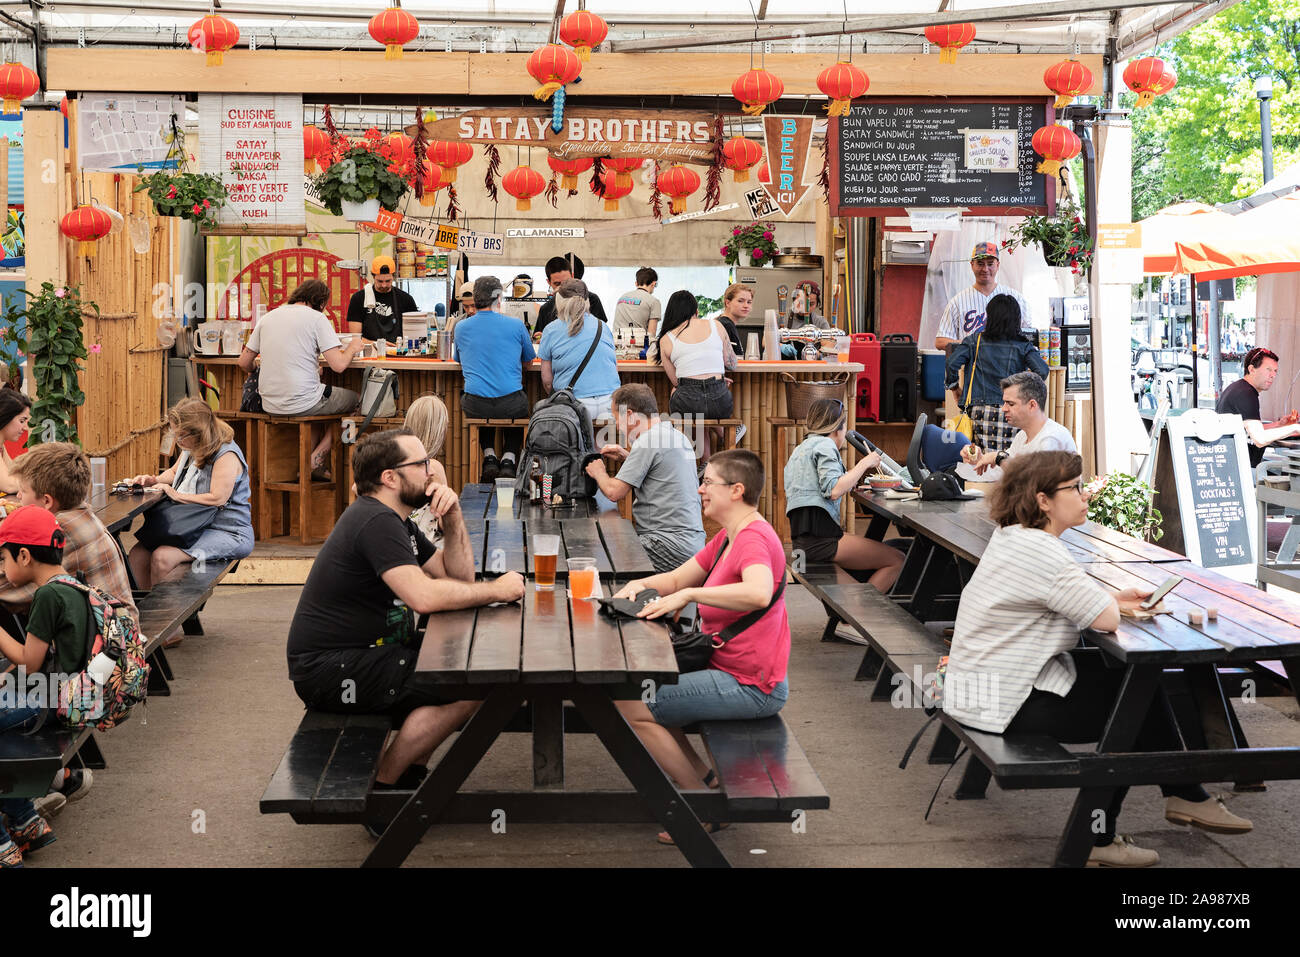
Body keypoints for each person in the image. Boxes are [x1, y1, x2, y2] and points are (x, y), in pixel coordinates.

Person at [943, 451, 1252, 867]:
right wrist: (1112, 604)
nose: (1084, 493)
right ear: (1043, 501)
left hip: (983, 689)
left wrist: (1112, 598)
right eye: (1074, 487)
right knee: (1133, 701)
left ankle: (1178, 796)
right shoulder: (1043, 552)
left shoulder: (1014, 537)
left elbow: (1067, 598)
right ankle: (1137, 818)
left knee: (1133, 683)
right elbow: (1103, 619)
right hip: (1005, 704)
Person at [285, 429, 525, 829]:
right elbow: (425, 598)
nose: (431, 472)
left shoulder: (397, 522)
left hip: (367, 653)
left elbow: (458, 578)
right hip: (333, 667)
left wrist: (452, 518)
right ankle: (385, 787)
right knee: (477, 682)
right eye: (422, 464)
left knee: (468, 670)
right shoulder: (375, 521)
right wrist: (496, 590)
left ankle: (407, 774)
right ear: (390, 478)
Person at [611, 450, 789, 842]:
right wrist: (642, 586)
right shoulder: (729, 536)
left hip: (752, 685)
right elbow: (677, 579)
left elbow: (759, 592)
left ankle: (700, 806)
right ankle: (706, 784)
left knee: (631, 701)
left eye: (708, 482)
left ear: (737, 490)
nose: (700, 489)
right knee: (638, 687)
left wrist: (689, 594)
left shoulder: (754, 539)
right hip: (732, 672)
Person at [0, 507, 99, 867]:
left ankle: (2, 842)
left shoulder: (46, 597)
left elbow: (30, 663)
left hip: (47, 700)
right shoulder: (71, 585)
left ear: (24, 555)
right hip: (63, 694)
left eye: (3, 557)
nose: (3, 566)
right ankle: (26, 822)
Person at [239, 278, 365, 479]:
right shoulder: (316, 319)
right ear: (321, 303)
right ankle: (316, 458)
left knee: (317, 407)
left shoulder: (269, 317)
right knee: (359, 402)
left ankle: (311, 463)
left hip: (269, 403)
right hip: (303, 402)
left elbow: (244, 362)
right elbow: (339, 365)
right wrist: (352, 347)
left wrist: (257, 366)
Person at [0, 442, 137, 622]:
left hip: (105, 643)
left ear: (47, 501)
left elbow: (8, 589)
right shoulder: (80, 514)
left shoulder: (58, 531)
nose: (18, 497)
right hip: (117, 628)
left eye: (23, 491)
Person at [126, 398, 254, 590]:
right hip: (193, 524)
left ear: (199, 432)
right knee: (138, 554)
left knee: (163, 557)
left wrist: (175, 495)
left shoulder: (226, 454)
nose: (178, 441)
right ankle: (141, 615)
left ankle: (164, 616)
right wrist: (153, 480)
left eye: (181, 436)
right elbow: (173, 473)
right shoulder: (192, 447)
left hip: (227, 531)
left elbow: (217, 498)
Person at [784, 398, 904, 591]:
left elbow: (823, 485)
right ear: (838, 429)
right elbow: (834, 489)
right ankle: (864, 611)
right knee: (897, 560)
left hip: (802, 541)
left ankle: (857, 608)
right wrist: (865, 463)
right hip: (821, 540)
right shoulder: (825, 445)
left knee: (855, 585)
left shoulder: (800, 449)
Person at [585, 383, 706, 573]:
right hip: (692, 543)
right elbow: (658, 468)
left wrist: (598, 471)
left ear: (631, 415)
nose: (617, 426)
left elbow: (613, 492)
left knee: (602, 558)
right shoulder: (675, 435)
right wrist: (628, 457)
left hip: (666, 545)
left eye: (617, 419)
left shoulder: (648, 441)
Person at [453, 275, 536, 480]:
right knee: (519, 405)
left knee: (481, 403)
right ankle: (509, 459)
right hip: (511, 404)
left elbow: (459, 360)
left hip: (475, 404)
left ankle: (489, 456)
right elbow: (529, 362)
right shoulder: (516, 325)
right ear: (498, 298)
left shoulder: (461, 327)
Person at [945, 293, 1048, 454]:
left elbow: (952, 363)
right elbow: (1042, 370)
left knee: (979, 460)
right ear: (1016, 318)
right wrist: (1023, 393)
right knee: (1008, 459)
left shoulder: (974, 341)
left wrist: (954, 388)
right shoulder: (1022, 345)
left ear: (990, 316)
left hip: (978, 409)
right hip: (1012, 410)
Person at [656, 290, 737, 463]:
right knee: (702, 409)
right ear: (696, 311)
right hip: (720, 401)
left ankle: (704, 463)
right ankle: (723, 436)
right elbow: (731, 363)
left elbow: (676, 381)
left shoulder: (666, 339)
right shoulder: (716, 325)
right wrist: (717, 379)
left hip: (688, 404)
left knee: (682, 396)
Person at [961, 371, 1076, 478]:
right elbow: (1003, 473)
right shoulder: (1022, 436)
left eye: (1010, 404)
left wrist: (999, 457)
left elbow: (1035, 481)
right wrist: (978, 459)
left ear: (1032, 405)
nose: (1004, 409)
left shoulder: (1052, 438)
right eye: (1004, 403)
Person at [538, 278, 620, 423]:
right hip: (611, 402)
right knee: (601, 444)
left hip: (574, 404)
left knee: (572, 443)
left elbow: (547, 381)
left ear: (559, 301)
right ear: (587, 300)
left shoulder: (551, 329)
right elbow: (614, 367)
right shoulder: (603, 326)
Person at [934, 242, 1033, 351]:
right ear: (972, 265)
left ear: (998, 265)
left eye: (990, 264)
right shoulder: (958, 301)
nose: (985, 269)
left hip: (1006, 364)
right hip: (970, 365)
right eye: (980, 264)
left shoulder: (1015, 298)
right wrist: (971, 343)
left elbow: (1029, 336)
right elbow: (940, 341)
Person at [1215, 346, 1300, 470]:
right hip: (1237, 470)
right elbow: (1259, 438)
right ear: (1251, 369)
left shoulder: (1239, 388)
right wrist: (1295, 428)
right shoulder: (1245, 394)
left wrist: (1279, 424)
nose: (1273, 375)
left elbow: (1248, 428)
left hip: (1231, 464)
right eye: (1268, 369)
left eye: (1275, 371)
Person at [402, 395, 450, 545]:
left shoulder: (394, 461)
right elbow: (445, 521)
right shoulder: (432, 467)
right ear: (438, 431)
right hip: (426, 548)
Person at [346, 255, 419, 344]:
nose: (384, 285)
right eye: (380, 281)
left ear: (393, 277)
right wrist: (377, 344)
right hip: (370, 353)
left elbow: (415, 334)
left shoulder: (406, 299)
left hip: (398, 352)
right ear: (373, 277)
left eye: (388, 281)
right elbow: (355, 338)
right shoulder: (359, 299)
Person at [534, 254, 608, 336]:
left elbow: (602, 332)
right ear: (549, 282)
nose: (562, 287)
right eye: (557, 284)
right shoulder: (546, 309)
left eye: (566, 282)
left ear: (573, 276)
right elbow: (539, 337)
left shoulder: (592, 300)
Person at [612, 267, 662, 341]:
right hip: (637, 346)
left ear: (636, 283)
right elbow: (651, 335)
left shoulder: (622, 297)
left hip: (616, 344)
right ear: (653, 284)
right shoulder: (654, 301)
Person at [0, 387, 32, 495]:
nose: (25, 428)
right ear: (5, 416)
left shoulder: (1, 446)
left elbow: (14, 472)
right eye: (22, 421)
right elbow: (9, 485)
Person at [715, 283, 749, 357]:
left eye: (749, 302)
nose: (746, 306)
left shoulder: (723, 322)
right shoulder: (726, 325)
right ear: (728, 303)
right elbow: (734, 360)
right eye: (740, 301)